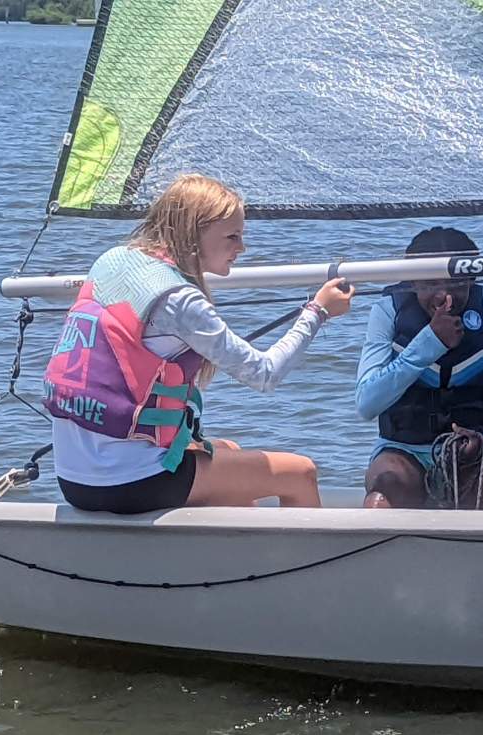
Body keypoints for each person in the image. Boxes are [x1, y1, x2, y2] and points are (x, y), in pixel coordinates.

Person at [43, 173, 354, 514]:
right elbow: (264, 373)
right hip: (132, 481)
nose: (241, 248)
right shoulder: (179, 300)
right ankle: (301, 567)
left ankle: (235, 564)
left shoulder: (113, 261)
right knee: (300, 473)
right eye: (232, 236)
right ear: (193, 234)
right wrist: (318, 311)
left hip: (75, 479)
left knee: (229, 449)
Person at [355, 226, 483, 510]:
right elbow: (366, 403)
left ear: (472, 281)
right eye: (429, 285)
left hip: (472, 459)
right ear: (412, 282)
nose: (443, 297)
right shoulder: (388, 312)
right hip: (402, 452)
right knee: (385, 494)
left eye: (456, 286)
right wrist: (429, 343)